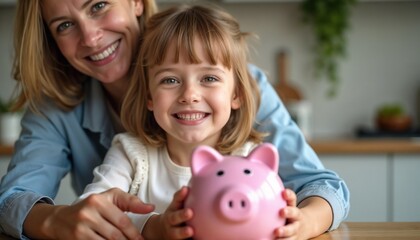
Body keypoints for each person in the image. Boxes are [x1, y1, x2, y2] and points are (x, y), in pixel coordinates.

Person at [0, 0, 349, 239]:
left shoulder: (245, 86)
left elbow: (321, 187)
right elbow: (11, 201)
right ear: (150, 99)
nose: (90, 37)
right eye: (64, 25)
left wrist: (302, 222)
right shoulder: (61, 112)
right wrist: (57, 220)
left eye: (99, 5)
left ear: (135, 1)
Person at [76, 4, 270, 239]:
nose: (189, 94)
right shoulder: (131, 154)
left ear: (236, 94)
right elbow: (90, 209)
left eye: (209, 78)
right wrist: (153, 226)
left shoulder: (250, 160)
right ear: (149, 96)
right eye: (169, 80)